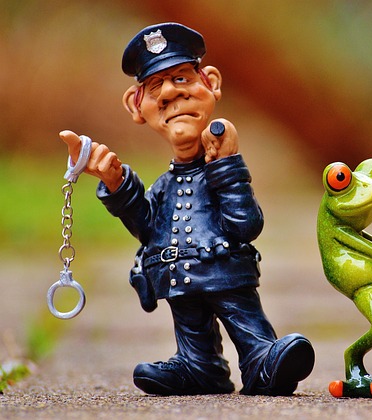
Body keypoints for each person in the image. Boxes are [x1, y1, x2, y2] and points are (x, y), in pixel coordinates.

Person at [59, 22, 314, 396]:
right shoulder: (164, 185)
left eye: (181, 79)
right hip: (178, 281)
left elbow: (246, 224)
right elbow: (146, 227)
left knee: (245, 321)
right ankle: (199, 366)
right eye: (155, 88)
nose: (170, 94)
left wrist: (226, 165)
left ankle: (261, 359)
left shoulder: (220, 167)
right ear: (136, 105)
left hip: (226, 272)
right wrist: (116, 182)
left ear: (211, 83)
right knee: (191, 329)